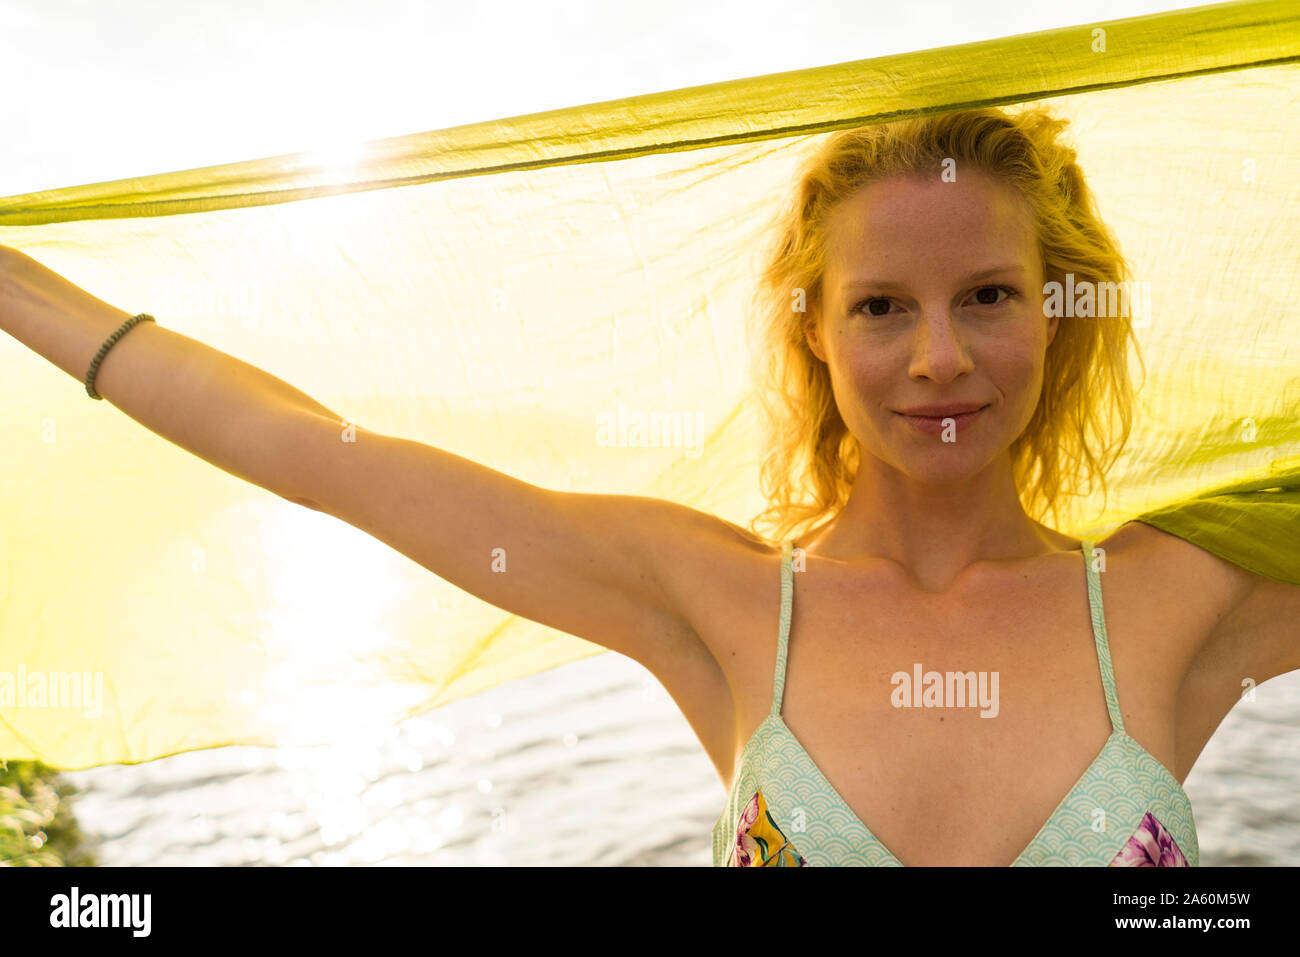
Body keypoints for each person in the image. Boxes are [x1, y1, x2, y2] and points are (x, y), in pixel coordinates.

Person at [1, 106, 1296, 867]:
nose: (940, 356)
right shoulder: (723, 605)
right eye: (883, 305)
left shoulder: (1178, 600)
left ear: (1061, 311)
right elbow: (318, 456)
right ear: (817, 335)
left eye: (990, 297)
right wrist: (16, 286)